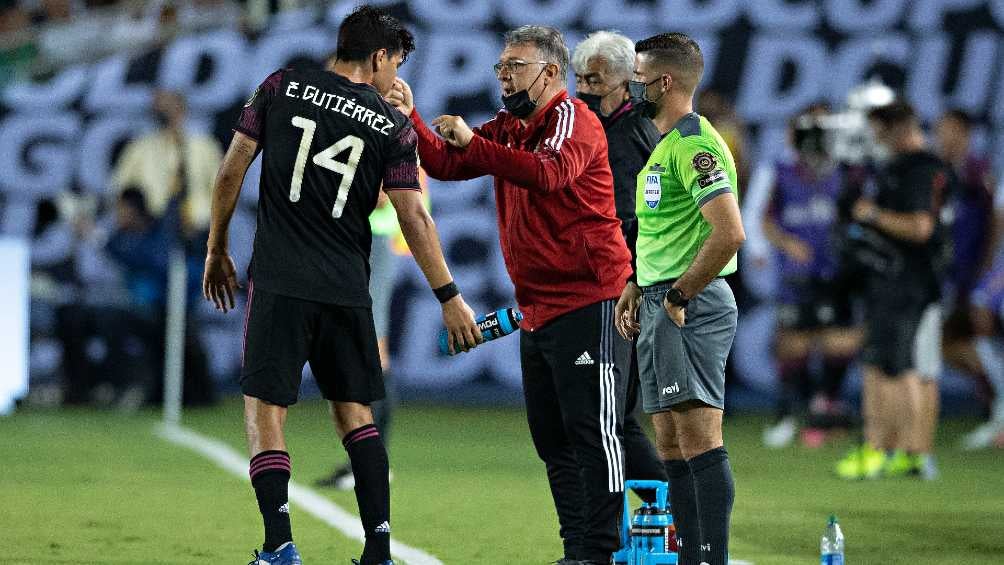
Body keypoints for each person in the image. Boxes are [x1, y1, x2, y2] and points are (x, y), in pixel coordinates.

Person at [201, 6, 481, 565]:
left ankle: (279, 546)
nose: (395, 74)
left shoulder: (280, 85)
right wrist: (450, 296)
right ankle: (378, 550)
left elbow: (232, 169)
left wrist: (216, 248)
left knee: (265, 410)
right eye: (395, 61)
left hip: (280, 280)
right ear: (378, 57)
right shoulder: (393, 124)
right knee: (356, 415)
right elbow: (414, 217)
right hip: (348, 287)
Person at [388, 25, 633, 565]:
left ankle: (605, 550)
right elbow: (447, 164)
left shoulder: (573, 119)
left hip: (591, 298)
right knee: (553, 439)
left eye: (515, 66)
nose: (503, 75)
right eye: (500, 66)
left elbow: (549, 175)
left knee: (597, 434)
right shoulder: (508, 127)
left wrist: (476, 144)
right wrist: (413, 119)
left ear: (550, 73)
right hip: (539, 306)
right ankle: (579, 550)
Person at [614, 33, 744, 565]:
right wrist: (636, 286)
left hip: (688, 305)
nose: (632, 85)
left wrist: (679, 295)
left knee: (699, 439)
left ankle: (711, 558)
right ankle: (688, 556)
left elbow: (729, 231)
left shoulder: (694, 144)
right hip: (659, 300)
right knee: (668, 441)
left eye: (638, 77)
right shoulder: (665, 144)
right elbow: (665, 232)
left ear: (664, 82)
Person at [571, 30, 668, 497]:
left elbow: (635, 219)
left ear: (628, 79)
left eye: (595, 79)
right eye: (580, 78)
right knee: (608, 417)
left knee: (614, 419)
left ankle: (675, 519)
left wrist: (630, 284)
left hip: (620, 291)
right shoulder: (594, 129)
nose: (584, 89)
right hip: (600, 287)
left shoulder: (633, 137)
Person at [835, 101, 951, 480]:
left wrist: (870, 215)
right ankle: (911, 454)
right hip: (912, 283)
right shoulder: (917, 167)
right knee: (906, 367)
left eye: (881, 133)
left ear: (899, 127)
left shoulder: (917, 169)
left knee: (888, 367)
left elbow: (921, 228)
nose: (877, 141)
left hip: (904, 282)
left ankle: (880, 449)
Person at [760, 106, 861, 448]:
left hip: (836, 273)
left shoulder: (847, 173)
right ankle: (788, 414)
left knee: (840, 340)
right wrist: (787, 243)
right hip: (797, 275)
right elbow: (766, 220)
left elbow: (857, 217)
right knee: (792, 345)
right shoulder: (782, 172)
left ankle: (824, 406)